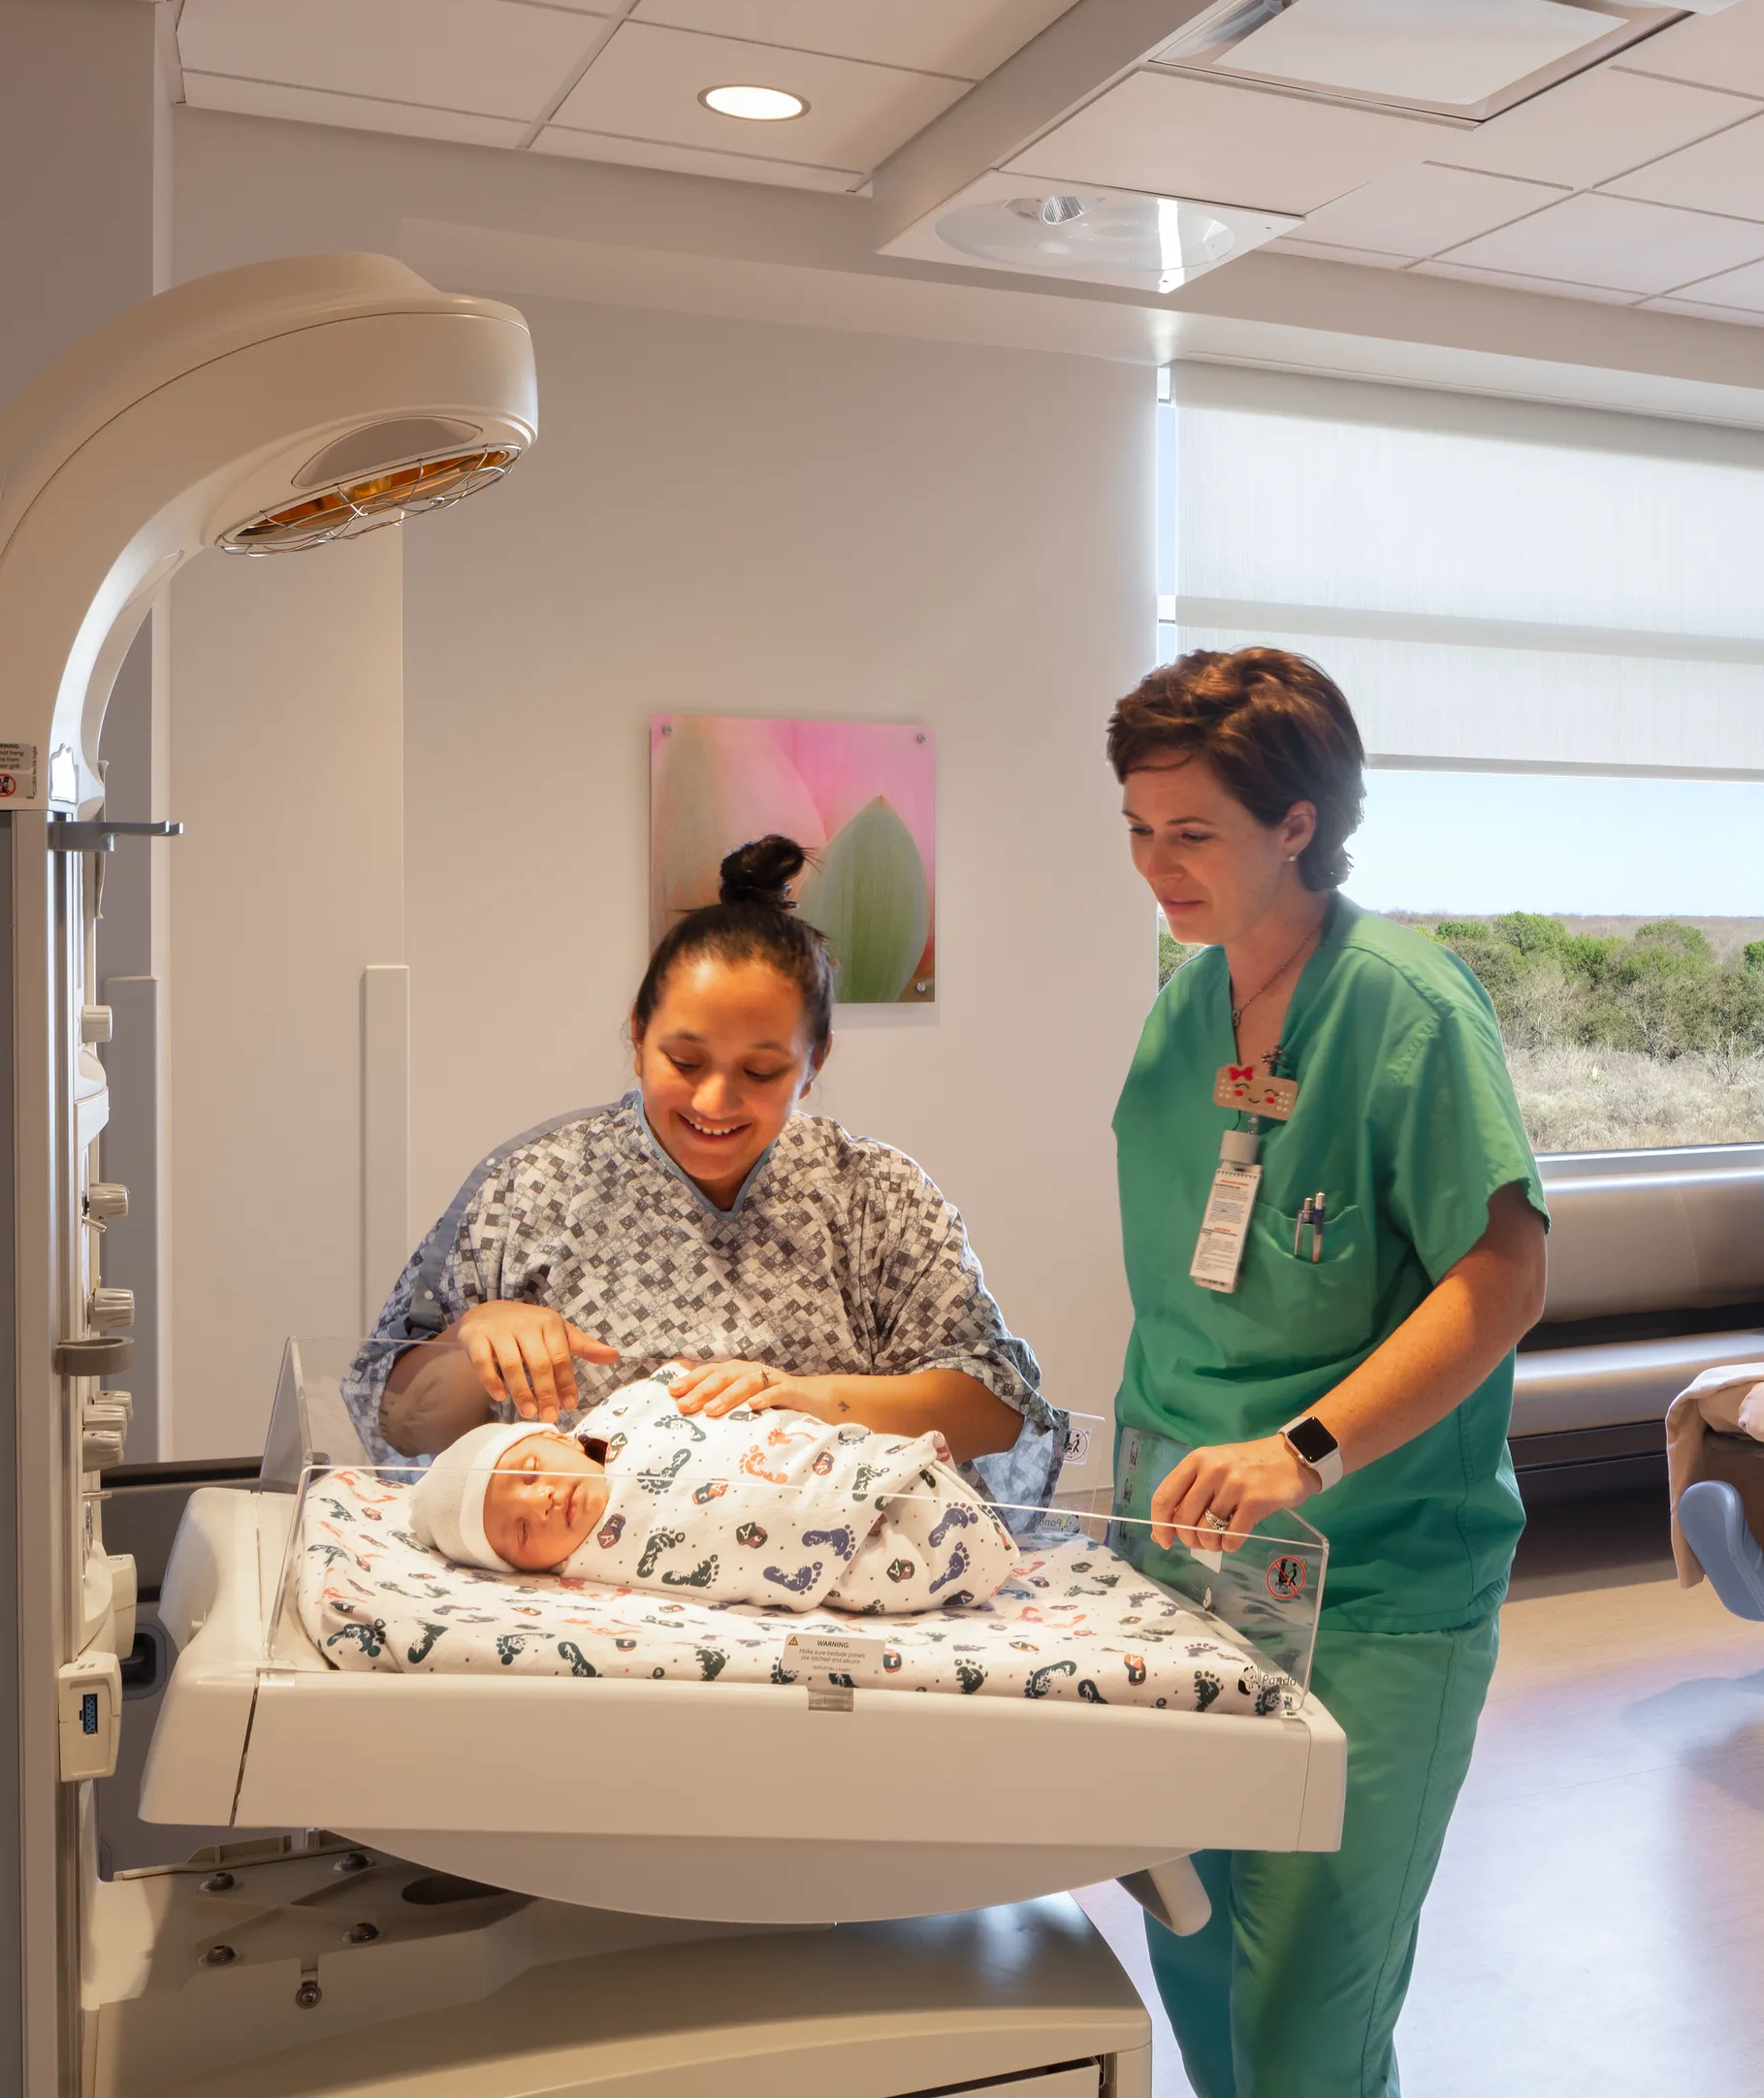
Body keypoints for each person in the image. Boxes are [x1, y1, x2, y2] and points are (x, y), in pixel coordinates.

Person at [1106, 646, 1548, 2098]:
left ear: (1298, 825)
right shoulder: (1184, 1008)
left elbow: (1502, 1276)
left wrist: (1299, 1451)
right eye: (1138, 827)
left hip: (1370, 1584)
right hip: (1184, 1566)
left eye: (1193, 833)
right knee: (1196, 1946)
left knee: (1308, 2012)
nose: (1156, 866)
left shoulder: (1407, 1010)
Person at [357, 836, 1051, 1490]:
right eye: (684, 1062)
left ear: (814, 1064)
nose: (715, 1100)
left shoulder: (877, 1196)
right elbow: (394, 1424)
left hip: (815, 1581)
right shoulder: (533, 1187)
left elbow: (995, 1406)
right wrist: (476, 1341)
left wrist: (801, 1399)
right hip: (576, 1575)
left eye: (760, 1070)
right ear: (637, 1033)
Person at [403, 1368, 1014, 1611]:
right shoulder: (590, 1575)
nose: (539, 1502)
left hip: (853, 1471)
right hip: (852, 1561)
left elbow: (686, 1396)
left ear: (558, 1438)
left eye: (530, 1470)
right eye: (519, 1531)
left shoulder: (623, 1416)